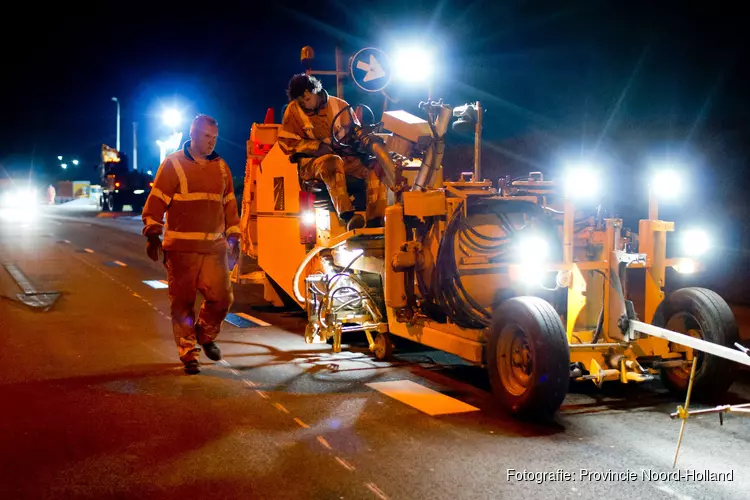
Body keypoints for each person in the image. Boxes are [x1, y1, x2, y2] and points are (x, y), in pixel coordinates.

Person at [141, 114, 241, 375]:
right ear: (193, 134)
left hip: (213, 249)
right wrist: (152, 234)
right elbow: (157, 200)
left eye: (214, 138)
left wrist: (234, 236)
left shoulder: (221, 167)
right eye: (207, 137)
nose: (211, 143)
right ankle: (188, 354)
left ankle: (205, 335)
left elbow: (229, 203)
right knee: (182, 304)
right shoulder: (173, 164)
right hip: (181, 250)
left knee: (222, 298)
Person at [278, 73, 386, 230]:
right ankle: (348, 216)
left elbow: (356, 133)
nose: (305, 105)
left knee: (376, 166)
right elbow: (286, 142)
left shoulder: (340, 106)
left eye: (307, 100)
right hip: (311, 165)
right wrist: (316, 147)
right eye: (301, 102)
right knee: (332, 161)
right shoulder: (293, 111)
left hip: (345, 159)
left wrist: (360, 145)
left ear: (316, 91)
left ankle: (374, 222)